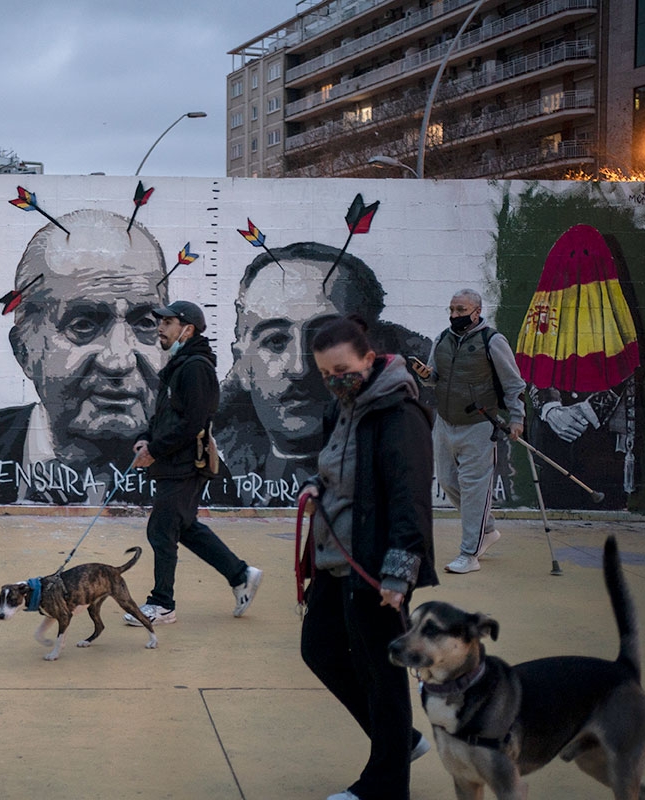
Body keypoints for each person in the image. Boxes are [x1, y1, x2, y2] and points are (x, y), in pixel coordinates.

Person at [296, 315, 437, 800]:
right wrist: (316, 485)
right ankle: (401, 742)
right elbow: (336, 468)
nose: (335, 381)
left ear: (370, 360)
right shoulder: (342, 409)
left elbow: (412, 499)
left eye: (343, 370)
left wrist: (399, 574)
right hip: (336, 560)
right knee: (319, 648)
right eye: (325, 374)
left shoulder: (399, 415)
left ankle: (386, 785)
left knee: (384, 676)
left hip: (378, 567)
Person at [0, 209, 167, 505]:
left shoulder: (198, 463)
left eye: (146, 324)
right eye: (84, 325)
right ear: (24, 351)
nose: (120, 360)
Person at [215, 243, 431, 506]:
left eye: (324, 339)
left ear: (369, 348)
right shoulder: (217, 470)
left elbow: (408, 504)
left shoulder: (402, 421)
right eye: (275, 341)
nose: (299, 368)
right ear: (242, 365)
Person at [123, 300, 261, 627]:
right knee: (182, 527)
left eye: (168, 322)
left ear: (188, 329)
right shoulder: (180, 366)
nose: (160, 327)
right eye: (160, 322)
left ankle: (162, 604)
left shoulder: (195, 367)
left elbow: (194, 422)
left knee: (161, 529)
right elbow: (169, 417)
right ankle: (241, 574)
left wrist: (156, 450)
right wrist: (147, 436)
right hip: (175, 461)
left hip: (184, 464)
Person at [413, 289, 526, 574]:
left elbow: (514, 384)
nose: (454, 315)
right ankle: (486, 529)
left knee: (474, 490)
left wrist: (517, 418)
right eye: (451, 309)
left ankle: (469, 555)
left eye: (461, 310)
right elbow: (434, 381)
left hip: (479, 425)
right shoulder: (441, 339)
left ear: (476, 312)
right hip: (445, 423)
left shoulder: (493, 341)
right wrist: (427, 376)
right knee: (450, 483)